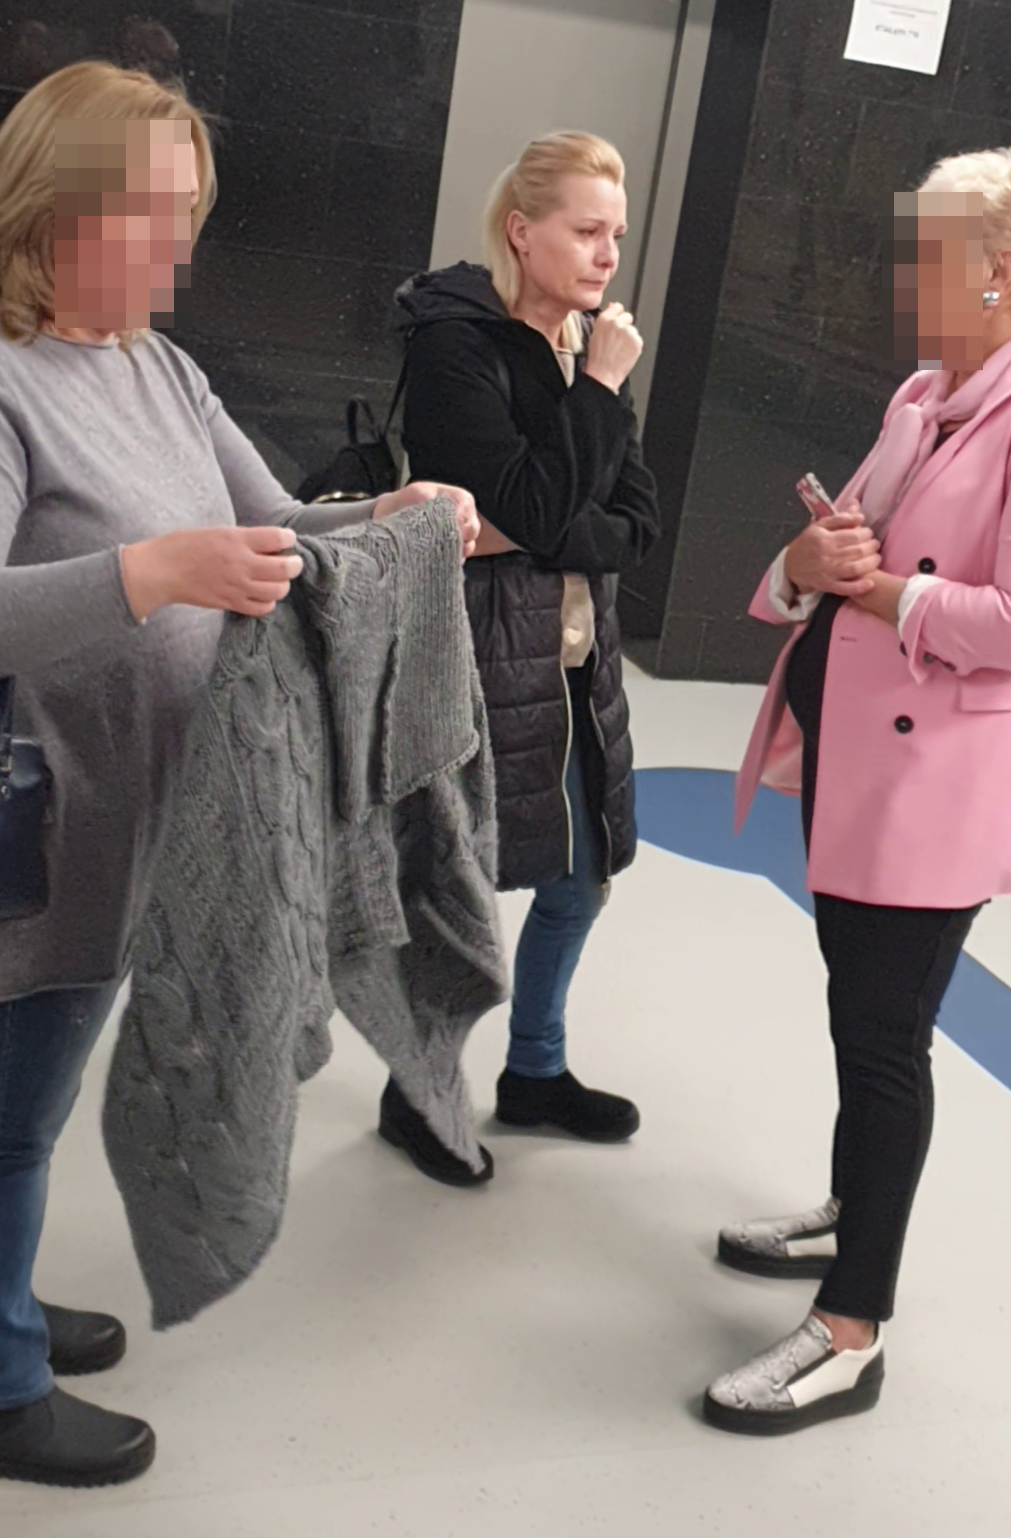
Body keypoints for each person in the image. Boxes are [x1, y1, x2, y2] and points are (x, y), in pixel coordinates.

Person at [0, 60, 479, 1489]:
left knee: (23, 1112)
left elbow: (272, 526)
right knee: (8, 1124)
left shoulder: (159, 366)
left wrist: (387, 513)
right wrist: (148, 574)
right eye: (151, 214)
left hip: (139, 817)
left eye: (188, 214)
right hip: (35, 829)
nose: (179, 247)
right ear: (55, 208)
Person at [703, 148, 1011, 1435]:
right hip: (856, 754)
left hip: (936, 782)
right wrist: (804, 563)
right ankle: (855, 1209)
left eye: (926, 253)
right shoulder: (930, 392)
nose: (901, 273)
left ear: (999, 271)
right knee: (857, 1003)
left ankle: (851, 1330)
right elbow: (834, 550)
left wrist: (872, 592)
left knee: (884, 1030)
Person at [380, 132, 661, 1184]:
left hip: (576, 654)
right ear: (521, 231)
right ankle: (415, 1090)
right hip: (476, 653)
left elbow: (636, 523)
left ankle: (535, 1069)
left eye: (616, 235)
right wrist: (598, 393)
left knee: (583, 876)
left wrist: (537, 521)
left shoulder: (586, 342)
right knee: (455, 891)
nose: (607, 255)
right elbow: (547, 504)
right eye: (587, 231)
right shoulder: (456, 344)